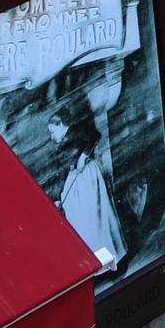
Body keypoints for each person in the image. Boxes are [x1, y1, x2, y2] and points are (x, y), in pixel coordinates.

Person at [49, 67, 125, 274]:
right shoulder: (61, 144)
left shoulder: (77, 131)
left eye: (52, 131)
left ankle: (109, 259)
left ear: (61, 125)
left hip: (88, 179)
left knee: (95, 218)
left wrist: (83, 156)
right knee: (78, 219)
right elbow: (62, 170)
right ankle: (92, 264)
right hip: (76, 180)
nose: (51, 135)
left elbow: (94, 136)